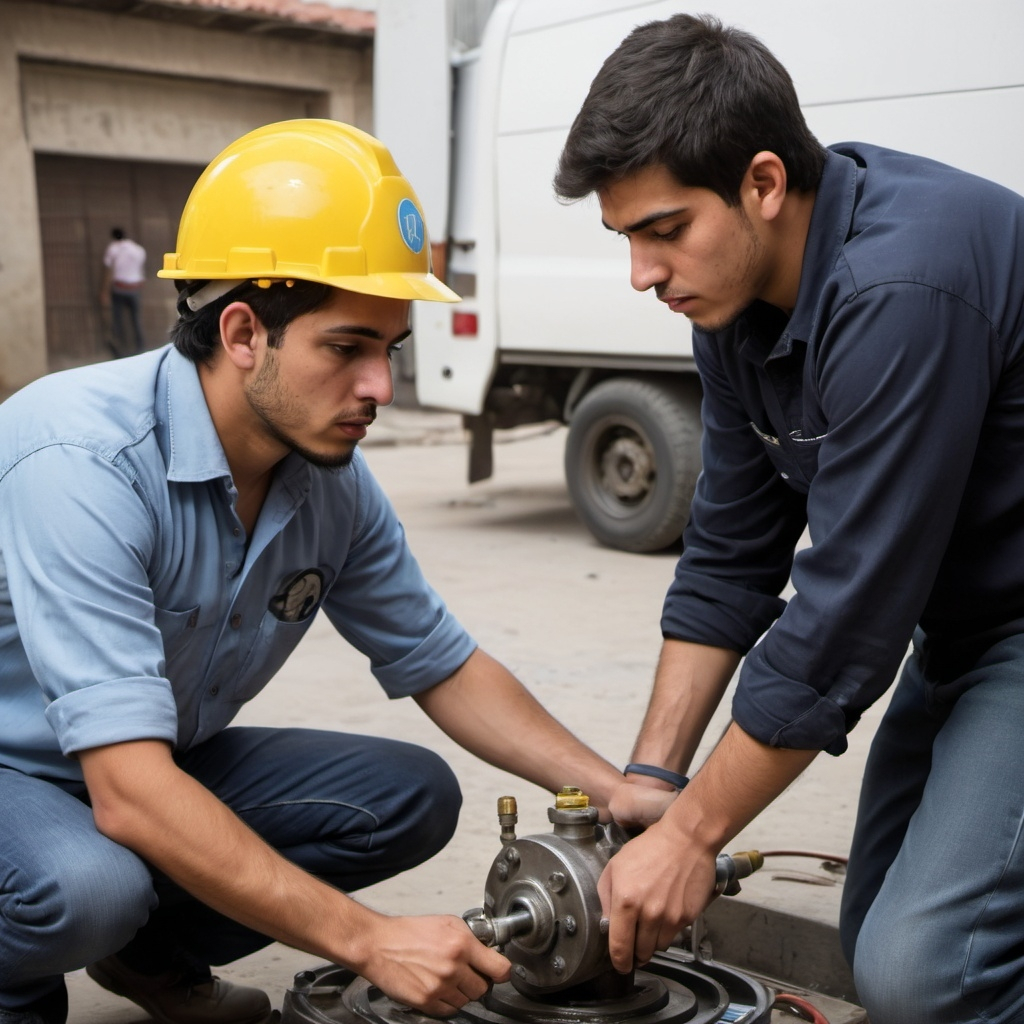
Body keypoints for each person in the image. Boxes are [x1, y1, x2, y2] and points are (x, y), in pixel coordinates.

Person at [0, 120, 629, 1024]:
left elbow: (441, 663)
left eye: (391, 349)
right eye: (347, 348)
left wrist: (612, 792)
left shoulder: (328, 480)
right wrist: (368, 938)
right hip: (23, 770)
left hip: (142, 761)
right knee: (85, 889)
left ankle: (149, 957)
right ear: (245, 330)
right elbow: (131, 791)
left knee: (408, 796)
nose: (380, 386)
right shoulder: (81, 458)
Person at [553, 14, 1024, 1024]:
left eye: (664, 230)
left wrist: (692, 838)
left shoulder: (902, 285)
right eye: (624, 237)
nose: (641, 272)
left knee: (926, 975)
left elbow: (843, 626)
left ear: (762, 183)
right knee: (874, 945)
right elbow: (728, 558)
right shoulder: (735, 308)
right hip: (962, 625)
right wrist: (653, 783)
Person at [100, 227, 147, 356]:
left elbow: (108, 271)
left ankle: (120, 350)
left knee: (117, 320)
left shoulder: (113, 248)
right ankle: (140, 347)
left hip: (120, 288)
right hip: (135, 288)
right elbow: (141, 270)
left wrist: (104, 291)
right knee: (136, 320)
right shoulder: (138, 249)